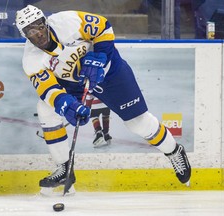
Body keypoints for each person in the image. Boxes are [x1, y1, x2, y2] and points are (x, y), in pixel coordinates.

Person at [15, 5, 191, 192]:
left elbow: (102, 27)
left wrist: (101, 56)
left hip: (110, 72)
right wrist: (67, 106)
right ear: (25, 35)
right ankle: (64, 168)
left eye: (39, 27)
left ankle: (174, 151)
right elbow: (48, 90)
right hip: (75, 83)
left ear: (46, 22)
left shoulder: (67, 22)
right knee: (46, 108)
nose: (38, 34)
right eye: (31, 31)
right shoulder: (32, 60)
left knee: (138, 123)